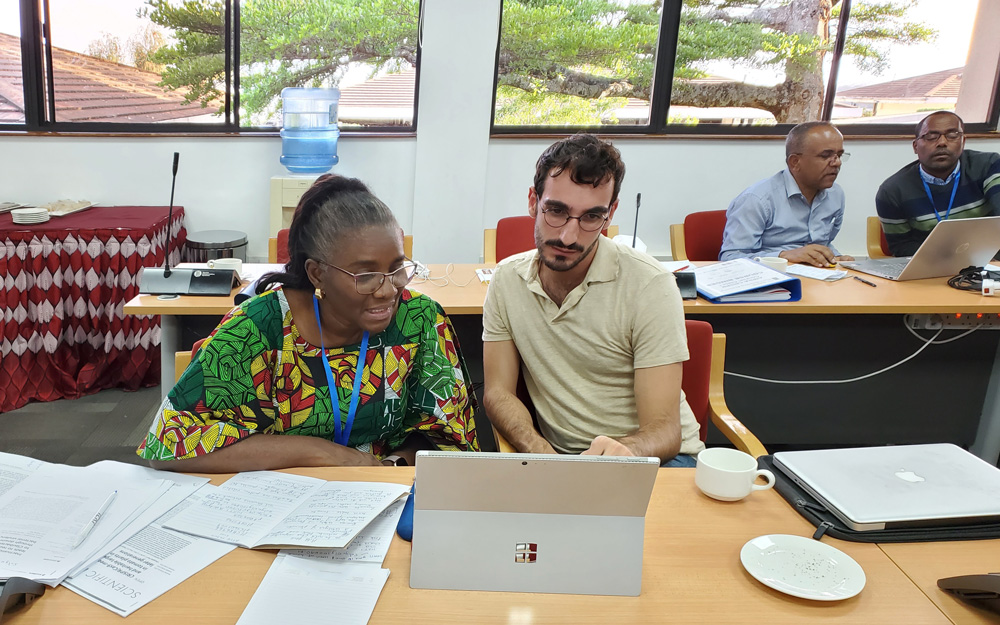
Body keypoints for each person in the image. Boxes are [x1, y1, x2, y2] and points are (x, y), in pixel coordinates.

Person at [137, 175, 479, 472]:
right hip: (280, 498)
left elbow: (450, 438)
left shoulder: (418, 319)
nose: (388, 289)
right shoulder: (260, 327)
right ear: (318, 273)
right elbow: (168, 445)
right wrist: (327, 455)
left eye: (397, 268)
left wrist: (390, 467)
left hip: (385, 492)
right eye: (366, 275)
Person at [482, 134, 704, 467]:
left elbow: (665, 431)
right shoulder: (506, 280)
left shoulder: (649, 285)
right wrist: (541, 453)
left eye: (591, 217)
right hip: (562, 462)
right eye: (556, 211)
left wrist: (622, 453)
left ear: (610, 213)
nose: (569, 236)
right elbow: (498, 392)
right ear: (533, 201)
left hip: (656, 460)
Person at [719, 121, 854, 267]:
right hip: (771, 280)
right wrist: (783, 256)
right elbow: (730, 258)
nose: (837, 163)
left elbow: (824, 243)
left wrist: (836, 257)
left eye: (839, 155)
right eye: (825, 156)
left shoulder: (836, 195)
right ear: (795, 162)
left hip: (817, 277)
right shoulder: (757, 199)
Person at [875, 111, 1000, 256]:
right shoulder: (892, 191)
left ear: (963, 141)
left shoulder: (990, 166)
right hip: (931, 267)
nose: (942, 142)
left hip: (990, 262)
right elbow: (901, 246)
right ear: (915, 146)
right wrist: (948, 259)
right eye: (931, 136)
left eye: (952, 135)